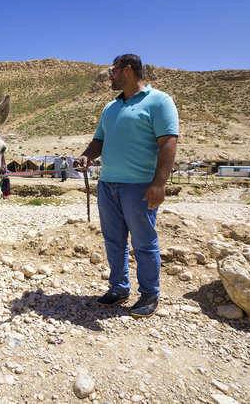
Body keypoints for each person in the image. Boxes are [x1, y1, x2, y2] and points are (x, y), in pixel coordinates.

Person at [75, 54, 178, 318]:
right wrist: (87, 156)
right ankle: (119, 288)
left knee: (144, 241)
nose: (110, 76)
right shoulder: (111, 108)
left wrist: (159, 183)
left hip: (139, 186)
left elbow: (168, 142)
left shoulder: (159, 101)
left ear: (127, 70)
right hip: (107, 184)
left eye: (113, 71)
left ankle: (149, 294)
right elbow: (99, 141)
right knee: (113, 241)